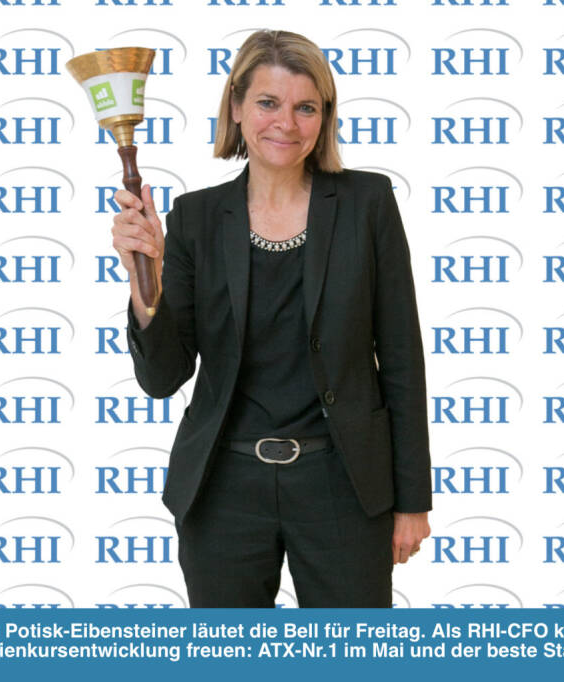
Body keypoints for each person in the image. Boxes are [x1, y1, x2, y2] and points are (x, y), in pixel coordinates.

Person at [110, 29, 431, 608]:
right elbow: (162, 378)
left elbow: (403, 359)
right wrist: (144, 274)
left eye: (305, 107)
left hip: (343, 485)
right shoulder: (195, 218)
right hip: (223, 490)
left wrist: (412, 502)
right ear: (236, 107)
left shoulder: (368, 203)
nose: (286, 122)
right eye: (267, 102)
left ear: (323, 117)